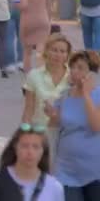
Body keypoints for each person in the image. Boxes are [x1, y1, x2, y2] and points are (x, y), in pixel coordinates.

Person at [45, 50, 100, 200]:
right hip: (66, 169)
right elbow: (55, 128)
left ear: (92, 73)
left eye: (80, 68)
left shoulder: (98, 95)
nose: (75, 71)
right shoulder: (65, 95)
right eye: (73, 67)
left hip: (95, 170)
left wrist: (87, 95)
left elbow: (96, 126)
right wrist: (53, 116)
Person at [22, 34, 71, 163]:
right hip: (40, 132)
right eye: (54, 50)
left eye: (62, 51)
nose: (58, 55)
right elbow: (28, 109)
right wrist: (25, 132)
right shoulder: (34, 75)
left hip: (66, 134)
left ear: (67, 55)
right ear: (46, 51)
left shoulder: (72, 78)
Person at [0, 127, 64, 201]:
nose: (30, 152)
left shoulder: (54, 187)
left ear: (43, 151)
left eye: (36, 147)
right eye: (24, 146)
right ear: (15, 148)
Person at [19, 0, 52, 73]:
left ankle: (27, 74)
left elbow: (24, 4)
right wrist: (49, 19)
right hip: (43, 19)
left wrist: (14, 6)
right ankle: (41, 72)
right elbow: (49, 4)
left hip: (28, 20)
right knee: (41, 50)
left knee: (27, 51)